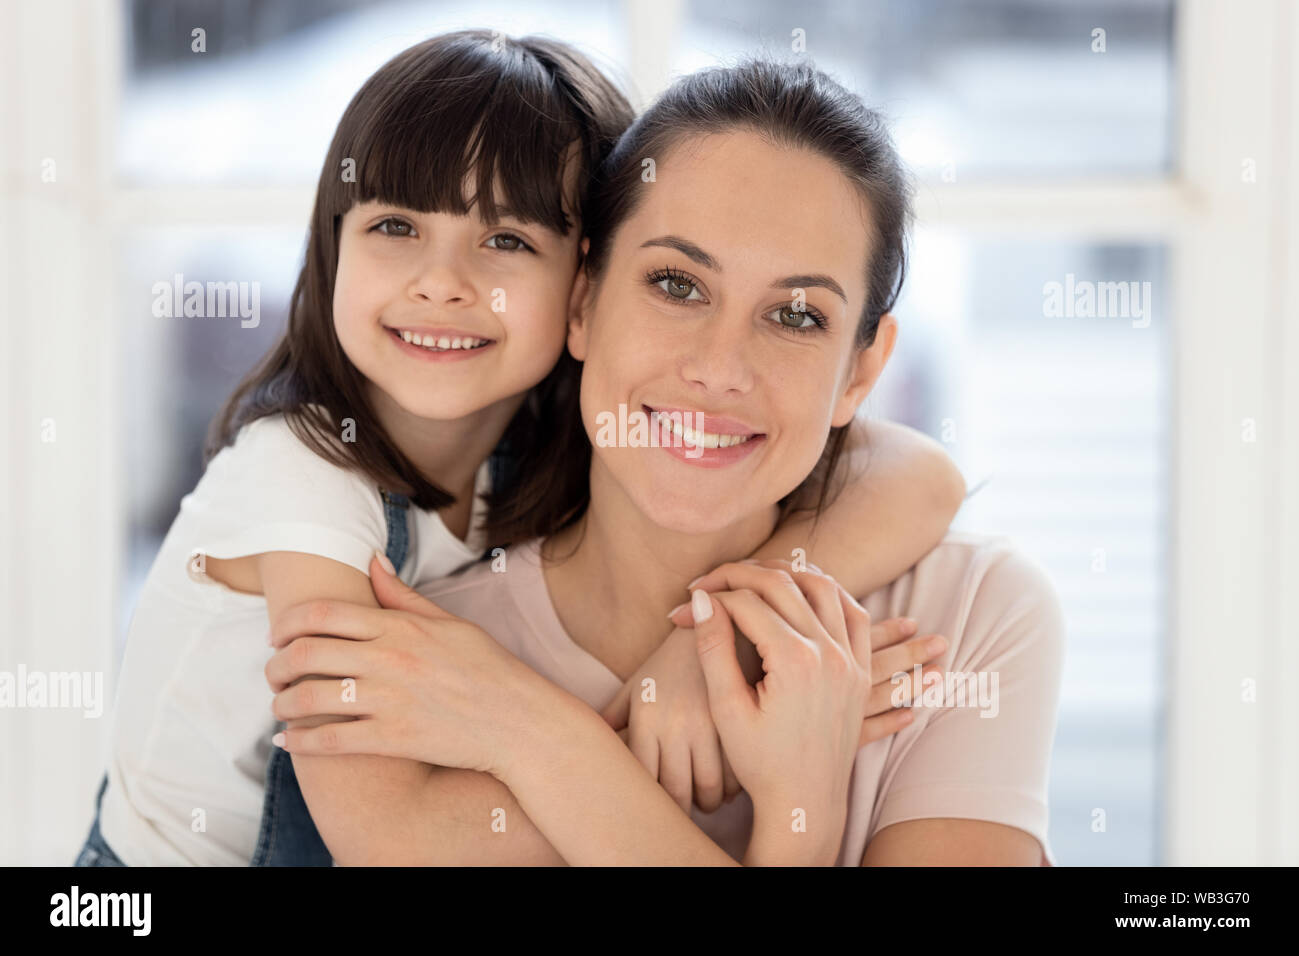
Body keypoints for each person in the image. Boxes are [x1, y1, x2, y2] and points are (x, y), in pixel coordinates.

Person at [76, 35, 964, 867]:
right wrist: (723, 741)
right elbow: (395, 839)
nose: (443, 281)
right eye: (395, 226)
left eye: (505, 240)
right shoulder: (306, 483)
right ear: (331, 242)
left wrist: (704, 649)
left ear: (582, 290)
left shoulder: (550, 433)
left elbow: (921, 477)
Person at [265, 58, 1065, 865]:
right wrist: (799, 813)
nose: (722, 367)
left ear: (860, 372)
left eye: (795, 314)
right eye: (677, 285)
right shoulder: (428, 663)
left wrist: (536, 729)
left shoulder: (966, 620)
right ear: (582, 303)